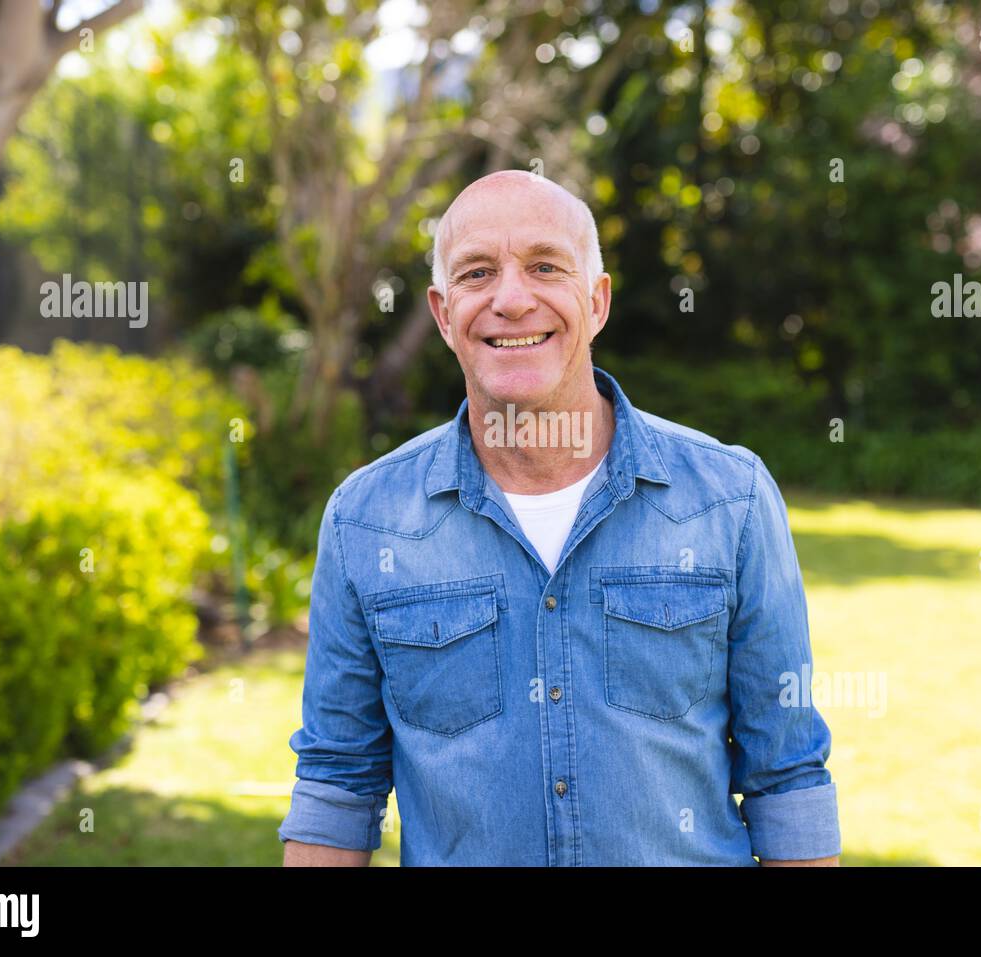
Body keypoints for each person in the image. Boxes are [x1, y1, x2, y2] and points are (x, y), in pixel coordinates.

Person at [278, 169, 841, 866]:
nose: (511, 299)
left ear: (597, 301)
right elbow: (337, 785)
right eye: (477, 273)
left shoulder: (731, 499)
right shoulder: (365, 522)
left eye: (545, 266)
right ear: (442, 312)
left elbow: (786, 778)